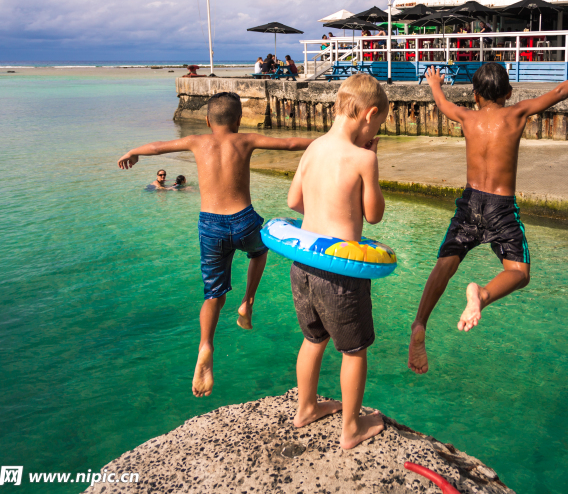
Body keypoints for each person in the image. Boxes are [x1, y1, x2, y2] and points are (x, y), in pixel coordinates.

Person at [408, 55, 568, 374]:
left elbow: (443, 104)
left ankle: (420, 323)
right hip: (500, 206)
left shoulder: (465, 116)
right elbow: (559, 92)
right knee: (519, 271)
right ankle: (483, 294)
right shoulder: (516, 113)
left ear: (475, 95)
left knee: (445, 263)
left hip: (470, 201)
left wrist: (435, 85)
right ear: (508, 93)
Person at [117, 92, 314, 397]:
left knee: (213, 294)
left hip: (210, 226)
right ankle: (247, 302)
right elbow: (290, 144)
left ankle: (206, 344)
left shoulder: (197, 140)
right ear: (238, 121)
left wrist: (133, 151)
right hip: (244, 219)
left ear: (208, 120)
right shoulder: (245, 139)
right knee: (259, 251)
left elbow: (157, 147)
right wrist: (334, 142)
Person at [285, 73, 389, 449]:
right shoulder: (363, 157)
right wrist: (372, 161)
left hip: (303, 267)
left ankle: (306, 408)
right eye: (377, 124)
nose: (373, 131)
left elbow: (294, 202)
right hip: (340, 274)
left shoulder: (313, 148)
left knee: (313, 339)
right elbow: (373, 215)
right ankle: (351, 428)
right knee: (354, 349)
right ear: (369, 114)